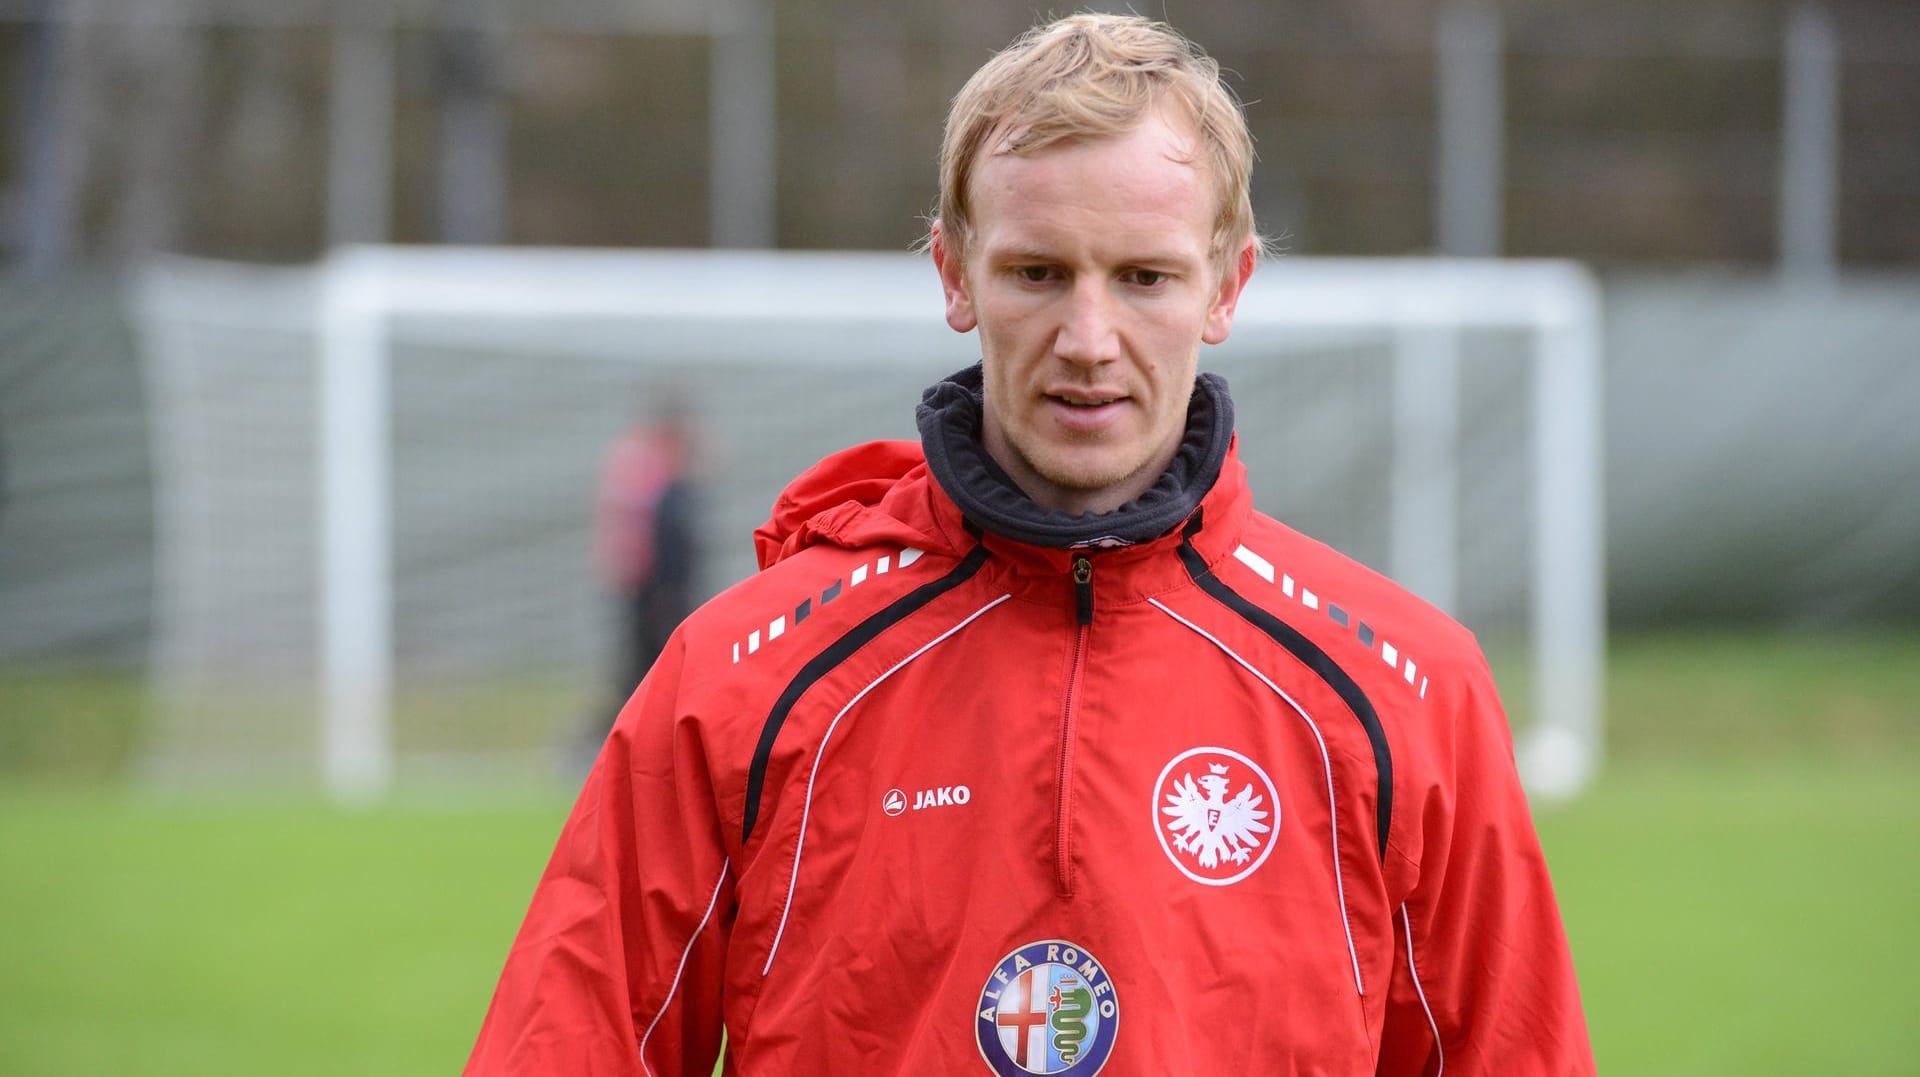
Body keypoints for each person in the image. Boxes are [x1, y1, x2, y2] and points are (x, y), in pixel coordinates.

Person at [467, 14, 1593, 1075]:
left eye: (1145, 277)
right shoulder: (743, 679)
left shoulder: (1406, 693)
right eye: (1037, 273)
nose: (1089, 340)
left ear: (1226, 286)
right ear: (956, 274)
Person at [586, 398, 700, 746]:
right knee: (645, 674)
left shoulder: (649, 469)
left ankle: (625, 741)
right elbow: (657, 539)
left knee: (647, 673)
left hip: (653, 589)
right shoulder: (651, 471)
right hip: (653, 591)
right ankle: (604, 742)